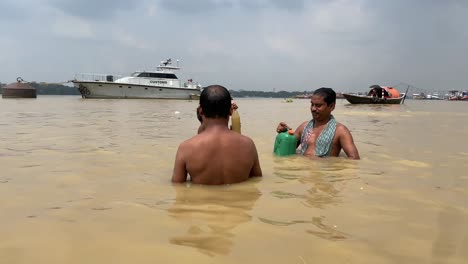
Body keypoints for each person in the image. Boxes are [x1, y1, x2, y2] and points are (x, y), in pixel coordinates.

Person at [173, 85, 262, 184]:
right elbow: (257, 180)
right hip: (239, 199)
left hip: (201, 199)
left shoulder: (186, 147)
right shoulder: (248, 144)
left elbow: (177, 186)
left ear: (200, 111)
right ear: (230, 111)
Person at [276, 87, 360, 160]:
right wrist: (285, 131)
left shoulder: (340, 131)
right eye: (312, 104)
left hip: (324, 174)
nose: (313, 109)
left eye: (318, 105)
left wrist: (327, 163)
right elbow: (289, 145)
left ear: (331, 106)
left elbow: (354, 159)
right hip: (303, 174)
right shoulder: (304, 127)